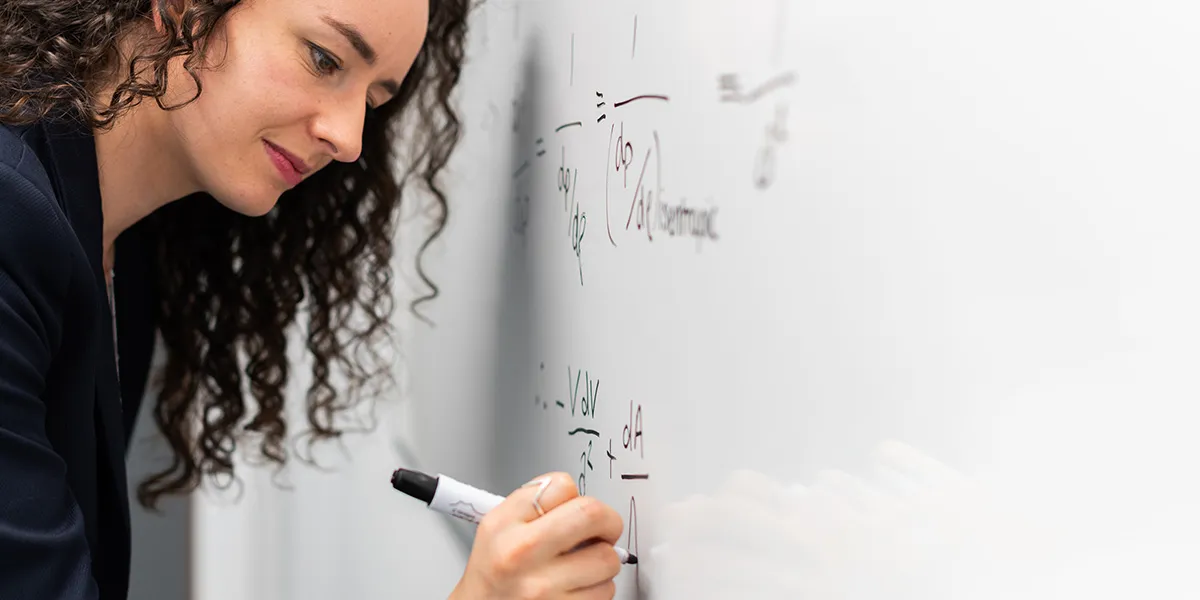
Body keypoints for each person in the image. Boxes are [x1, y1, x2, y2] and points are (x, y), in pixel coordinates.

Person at [0, 0, 625, 598]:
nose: (351, 139)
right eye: (325, 59)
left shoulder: (125, 242)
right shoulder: (13, 226)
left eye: (375, 99)